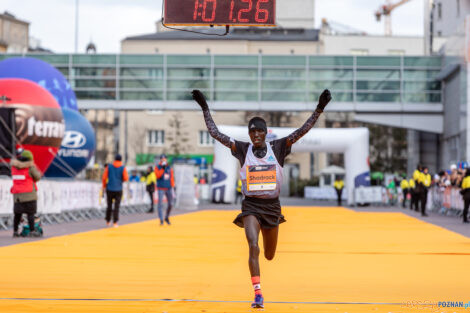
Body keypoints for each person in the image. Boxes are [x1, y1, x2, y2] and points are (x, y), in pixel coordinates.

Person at [192, 88, 331, 309]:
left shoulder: (278, 148)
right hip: (251, 207)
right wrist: (205, 108)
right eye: (252, 132)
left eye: (259, 132)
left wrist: (319, 109)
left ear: (266, 133)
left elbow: (302, 130)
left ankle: (266, 252)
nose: (256, 135)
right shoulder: (242, 149)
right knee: (253, 246)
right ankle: (258, 294)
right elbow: (215, 133)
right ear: (249, 135)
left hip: (272, 208)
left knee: (269, 255)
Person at [10, 148, 42, 237]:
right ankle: (32, 231)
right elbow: (37, 177)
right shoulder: (30, 167)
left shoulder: (13, 167)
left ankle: (15, 232)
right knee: (30, 214)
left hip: (17, 195)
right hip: (29, 194)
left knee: (17, 215)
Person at [102, 154, 129, 227]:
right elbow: (126, 178)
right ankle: (115, 222)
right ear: (121, 160)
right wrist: (121, 180)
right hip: (118, 189)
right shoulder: (123, 168)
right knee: (117, 206)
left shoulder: (109, 167)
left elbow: (104, 177)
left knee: (109, 205)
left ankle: (108, 220)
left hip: (109, 188)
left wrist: (104, 186)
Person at [155, 154, 175, 225]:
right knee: (160, 204)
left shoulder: (169, 167)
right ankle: (161, 219)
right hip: (161, 188)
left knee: (171, 203)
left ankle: (166, 216)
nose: (163, 160)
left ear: (166, 159)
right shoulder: (157, 167)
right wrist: (162, 169)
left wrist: (173, 185)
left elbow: (171, 177)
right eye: (162, 159)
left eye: (164, 159)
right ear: (160, 160)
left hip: (168, 187)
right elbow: (158, 175)